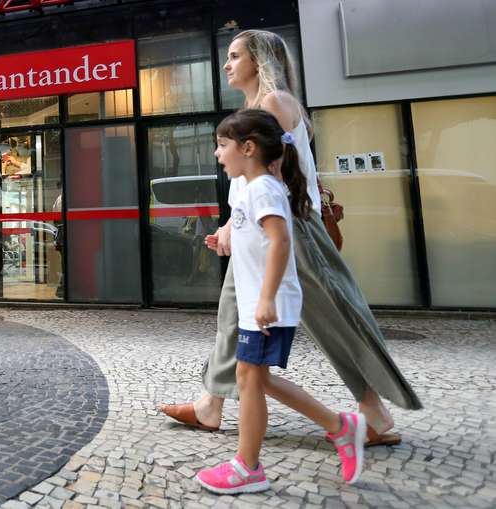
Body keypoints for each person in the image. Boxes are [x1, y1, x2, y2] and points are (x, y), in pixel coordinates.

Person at [158, 29, 421, 446]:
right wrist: (232, 225)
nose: (227, 64)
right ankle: (210, 405)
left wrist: (233, 224)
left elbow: (270, 175)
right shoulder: (257, 106)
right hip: (259, 229)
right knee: (232, 314)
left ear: (258, 61)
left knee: (334, 318)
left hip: (288, 228)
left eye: (234, 56)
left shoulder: (274, 103)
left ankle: (374, 414)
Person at [197, 109, 366, 494]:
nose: (217, 154)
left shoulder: (264, 189)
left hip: (266, 306)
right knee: (257, 379)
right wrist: (227, 241)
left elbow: (281, 242)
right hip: (260, 302)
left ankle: (247, 468)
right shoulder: (252, 187)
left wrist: (268, 299)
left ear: (249, 148)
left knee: (250, 379)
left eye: (222, 146)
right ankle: (341, 426)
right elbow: (259, 238)